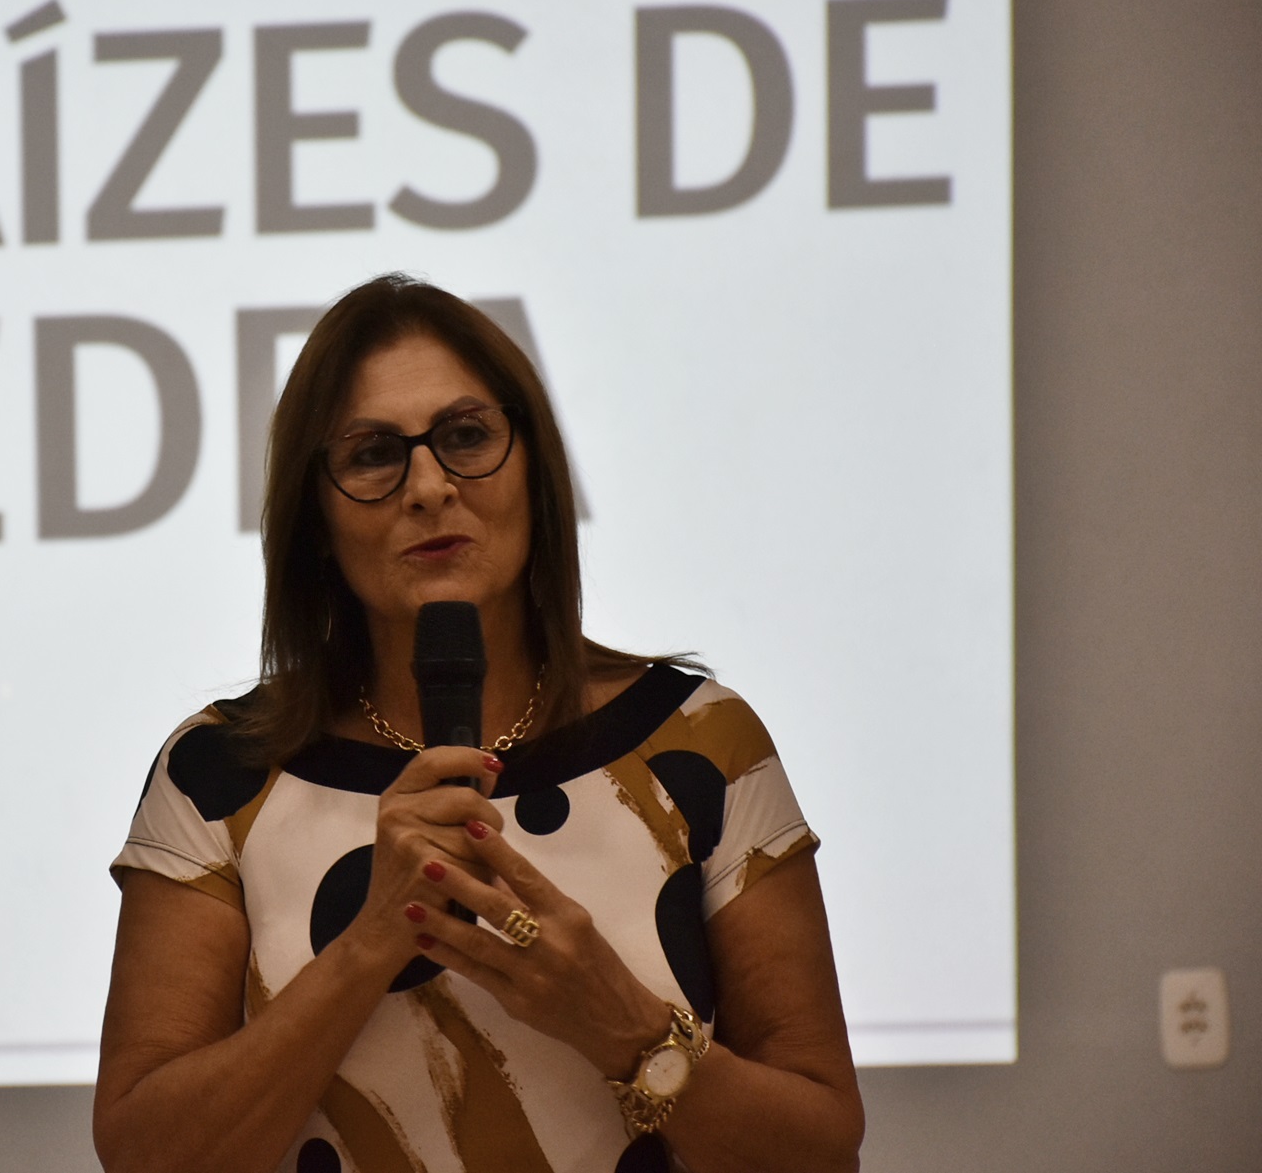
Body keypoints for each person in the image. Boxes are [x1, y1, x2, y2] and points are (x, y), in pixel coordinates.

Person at [96, 276, 862, 1173]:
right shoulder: (219, 773)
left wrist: (620, 1022)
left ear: (535, 469)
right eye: (374, 454)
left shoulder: (702, 741)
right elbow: (146, 1157)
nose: (429, 486)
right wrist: (373, 940)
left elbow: (823, 1152)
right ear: (317, 518)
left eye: (465, 437)